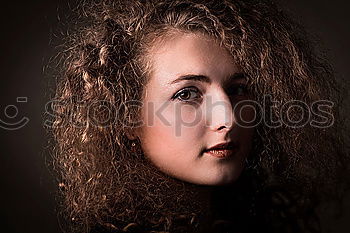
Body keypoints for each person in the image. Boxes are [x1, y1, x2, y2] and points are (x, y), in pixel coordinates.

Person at [49, 0, 349, 232]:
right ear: (128, 119)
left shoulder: (256, 218)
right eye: (187, 94)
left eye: (238, 88)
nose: (229, 118)